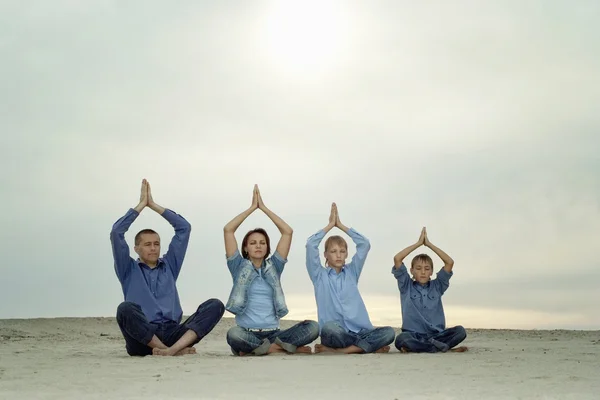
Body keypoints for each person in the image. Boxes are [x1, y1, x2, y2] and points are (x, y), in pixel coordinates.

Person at [110, 179, 225, 356]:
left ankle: (172, 348)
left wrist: (154, 205)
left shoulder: (170, 265)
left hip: (173, 333)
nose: (153, 247)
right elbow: (116, 233)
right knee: (125, 309)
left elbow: (184, 228)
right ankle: (171, 351)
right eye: (147, 244)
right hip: (143, 338)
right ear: (136, 249)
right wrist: (141, 205)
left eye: (156, 243)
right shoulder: (128, 269)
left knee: (215, 305)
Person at [224, 185, 319, 356]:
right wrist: (252, 208)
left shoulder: (274, 266)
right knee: (233, 334)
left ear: (267, 247)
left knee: (313, 327)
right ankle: (278, 349)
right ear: (245, 248)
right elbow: (228, 230)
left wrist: (264, 208)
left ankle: (261, 349)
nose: (258, 246)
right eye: (253, 243)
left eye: (262, 242)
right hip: (247, 332)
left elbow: (287, 232)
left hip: (275, 334)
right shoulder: (238, 266)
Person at [306, 203, 395, 354]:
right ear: (325, 255)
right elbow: (310, 244)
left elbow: (364, 244)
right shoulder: (319, 275)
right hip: (336, 334)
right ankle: (364, 347)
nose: (339, 255)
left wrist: (341, 225)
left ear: (347, 254)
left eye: (342, 251)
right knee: (329, 328)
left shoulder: (352, 272)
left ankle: (343, 351)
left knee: (389, 332)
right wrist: (329, 226)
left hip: (360, 332)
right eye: (333, 251)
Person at [391, 227, 468, 353]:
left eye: (427, 269)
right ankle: (440, 348)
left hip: (437, 335)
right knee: (401, 339)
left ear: (431, 272)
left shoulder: (437, 286)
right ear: (412, 271)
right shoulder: (406, 286)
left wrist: (429, 244)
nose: (422, 272)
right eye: (418, 268)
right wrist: (418, 244)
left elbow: (449, 262)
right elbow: (397, 259)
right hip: (414, 335)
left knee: (460, 331)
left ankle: (429, 346)